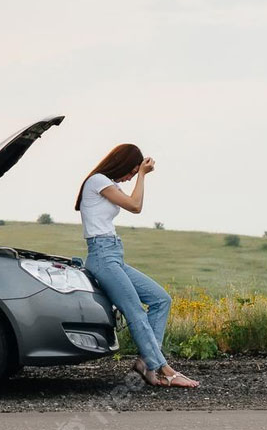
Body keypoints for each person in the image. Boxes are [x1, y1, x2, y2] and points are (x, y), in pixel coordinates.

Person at [75, 144, 199, 388]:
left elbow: (134, 203)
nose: (131, 177)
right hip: (102, 256)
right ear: (122, 164)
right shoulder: (97, 181)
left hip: (114, 255)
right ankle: (164, 369)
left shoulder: (109, 184)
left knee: (160, 299)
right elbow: (135, 206)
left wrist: (139, 174)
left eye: (134, 173)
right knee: (135, 311)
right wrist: (142, 175)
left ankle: (146, 365)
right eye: (131, 171)